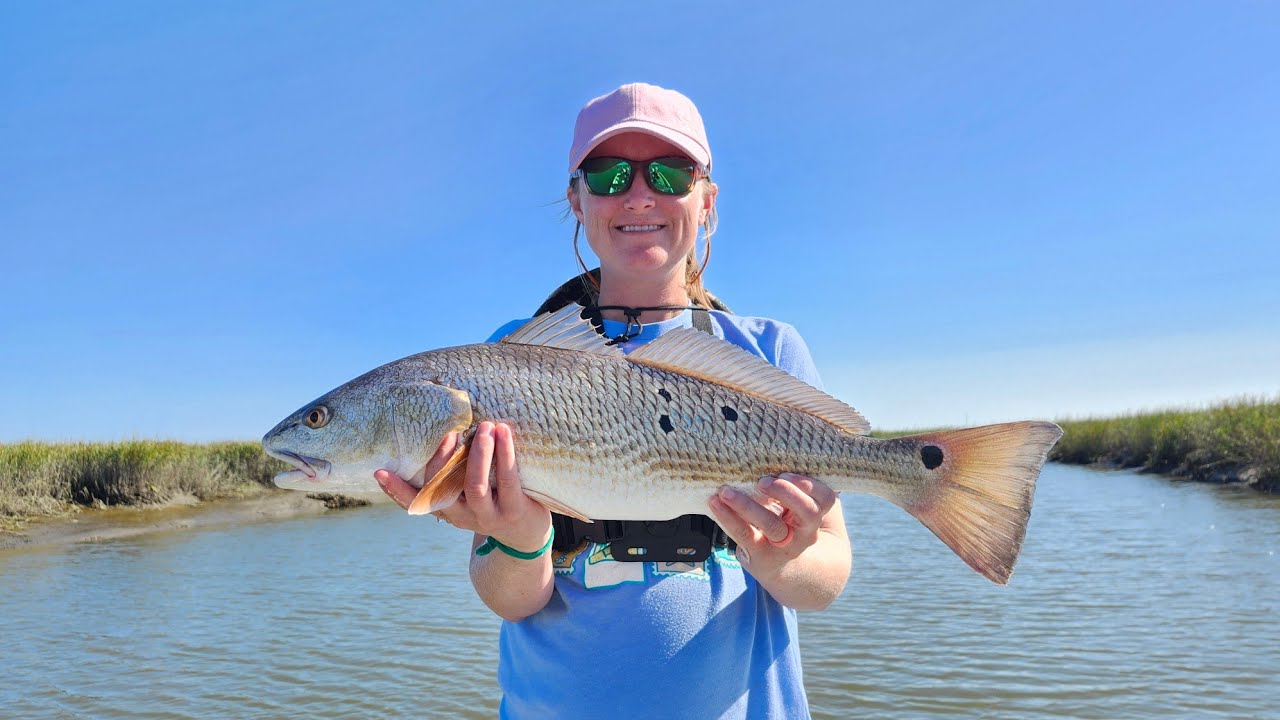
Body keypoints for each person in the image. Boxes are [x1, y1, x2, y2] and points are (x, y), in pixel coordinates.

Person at [375, 82, 851, 719]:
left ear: (707, 201)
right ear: (576, 199)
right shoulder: (506, 358)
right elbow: (512, 600)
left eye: (669, 172)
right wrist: (515, 537)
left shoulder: (770, 350)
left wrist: (783, 556)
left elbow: (824, 583)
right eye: (608, 174)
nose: (638, 193)